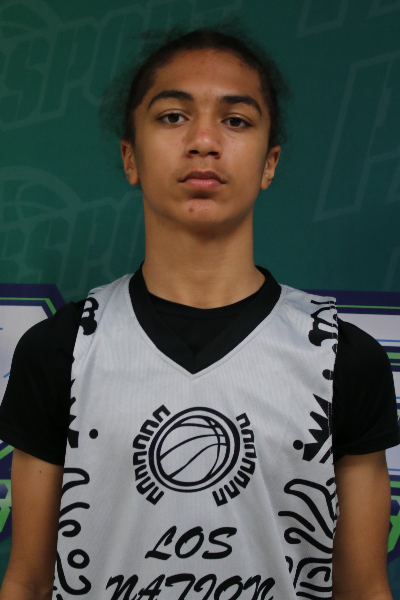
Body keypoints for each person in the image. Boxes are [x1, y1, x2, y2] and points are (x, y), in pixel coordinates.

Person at [0, 28, 398, 600]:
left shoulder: (342, 358)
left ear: (270, 163)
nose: (204, 140)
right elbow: (29, 581)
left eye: (236, 120)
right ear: (130, 156)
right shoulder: (61, 351)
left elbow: (363, 589)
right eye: (172, 116)